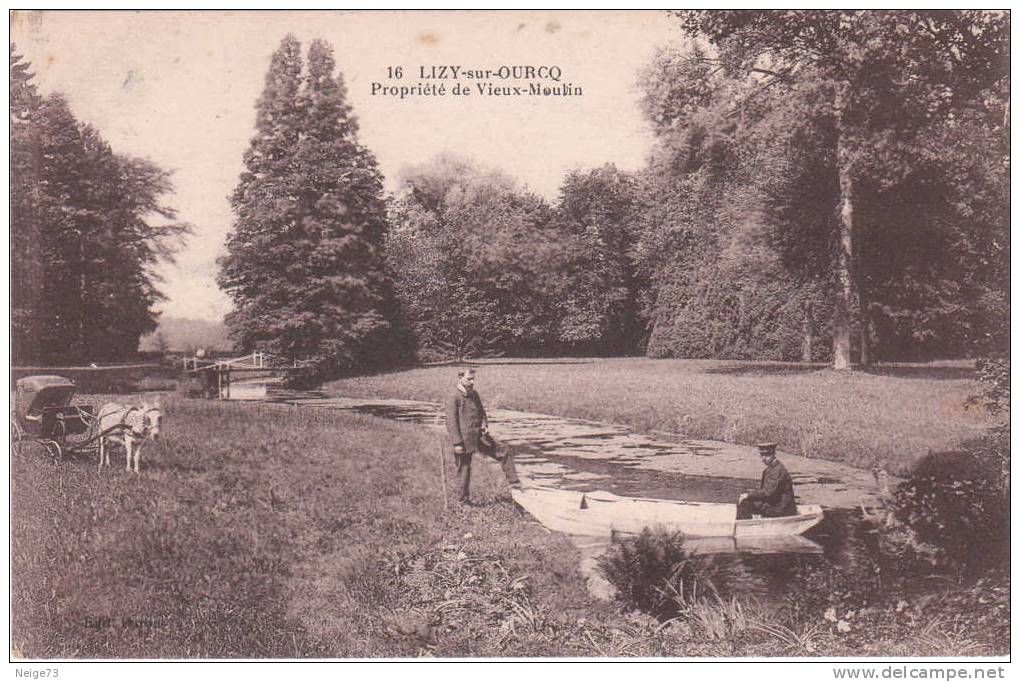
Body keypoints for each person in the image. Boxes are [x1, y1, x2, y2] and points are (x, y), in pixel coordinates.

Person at [445, 368, 521, 504]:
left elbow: (482, 411)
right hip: (464, 440)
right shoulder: (454, 397)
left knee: (504, 450)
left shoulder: (474, 394)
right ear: (460, 377)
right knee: (464, 468)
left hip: (479, 437)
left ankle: (515, 484)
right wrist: (457, 443)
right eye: (469, 379)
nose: (472, 382)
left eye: (473, 379)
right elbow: (451, 422)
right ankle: (462, 502)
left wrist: (485, 425)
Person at [737, 442, 798, 519]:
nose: (764, 458)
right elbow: (767, 492)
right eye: (762, 455)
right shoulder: (771, 468)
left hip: (781, 508)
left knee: (745, 503)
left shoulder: (777, 470)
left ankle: (745, 526)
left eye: (767, 455)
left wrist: (749, 495)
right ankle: (749, 522)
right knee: (747, 500)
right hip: (776, 504)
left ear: (773, 454)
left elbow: (768, 493)